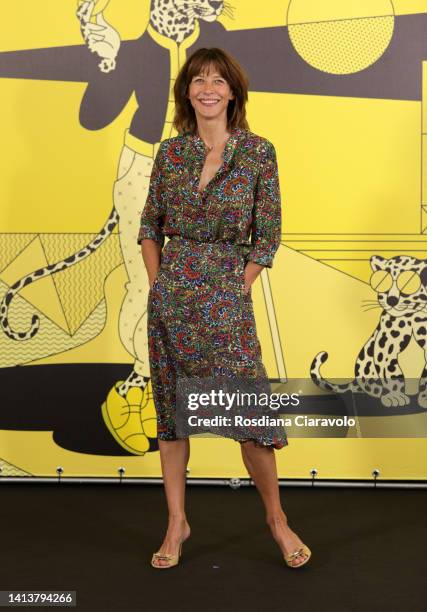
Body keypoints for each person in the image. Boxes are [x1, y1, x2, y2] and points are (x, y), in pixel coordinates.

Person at [138, 47, 311, 570]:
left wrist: (237, 286)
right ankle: (176, 523)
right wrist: (158, 284)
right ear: (186, 92)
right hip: (171, 298)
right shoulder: (170, 154)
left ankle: (277, 521)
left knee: (249, 412)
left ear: (233, 91)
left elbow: (269, 234)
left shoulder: (258, 152)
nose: (207, 88)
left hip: (225, 298)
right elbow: (149, 226)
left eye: (217, 80)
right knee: (172, 415)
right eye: (197, 80)